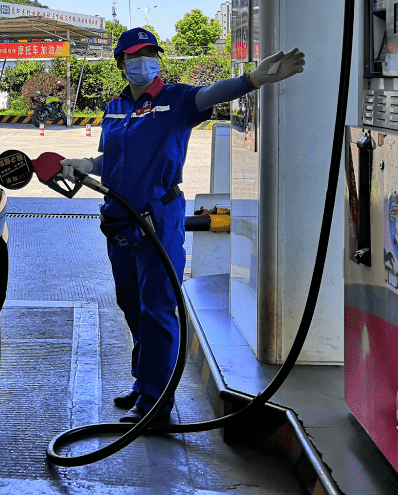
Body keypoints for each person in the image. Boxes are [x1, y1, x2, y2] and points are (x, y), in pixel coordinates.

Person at [60, 27, 305, 427]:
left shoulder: (175, 100)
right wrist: (87, 164)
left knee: (157, 307)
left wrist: (254, 79)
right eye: (135, 56)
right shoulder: (115, 106)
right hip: (119, 219)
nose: (145, 62)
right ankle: (144, 382)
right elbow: (113, 158)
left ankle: (156, 403)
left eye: (151, 54)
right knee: (130, 303)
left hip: (158, 218)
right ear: (121, 63)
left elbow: (212, 94)